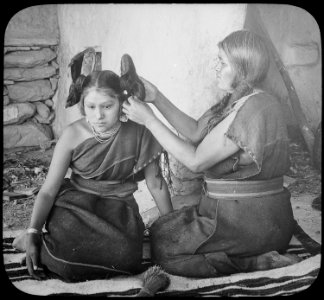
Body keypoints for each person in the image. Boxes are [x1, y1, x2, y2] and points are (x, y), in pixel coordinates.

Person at [122, 30, 301, 278]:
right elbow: (195, 131)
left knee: (165, 251)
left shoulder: (255, 108)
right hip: (241, 213)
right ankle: (243, 253)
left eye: (223, 62)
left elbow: (196, 161)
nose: (215, 67)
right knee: (160, 229)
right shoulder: (237, 99)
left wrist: (149, 120)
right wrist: (156, 98)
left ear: (244, 69)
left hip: (252, 222)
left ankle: (255, 263)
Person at [15, 70, 173, 282]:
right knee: (67, 261)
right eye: (91, 107)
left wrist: (171, 229)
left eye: (107, 106)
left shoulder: (139, 131)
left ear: (122, 103)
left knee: (127, 259)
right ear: (83, 106)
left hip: (119, 205)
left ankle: (48, 248)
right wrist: (34, 230)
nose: (98, 115)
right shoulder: (72, 134)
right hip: (76, 205)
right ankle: (33, 242)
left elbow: (157, 184)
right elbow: (49, 189)